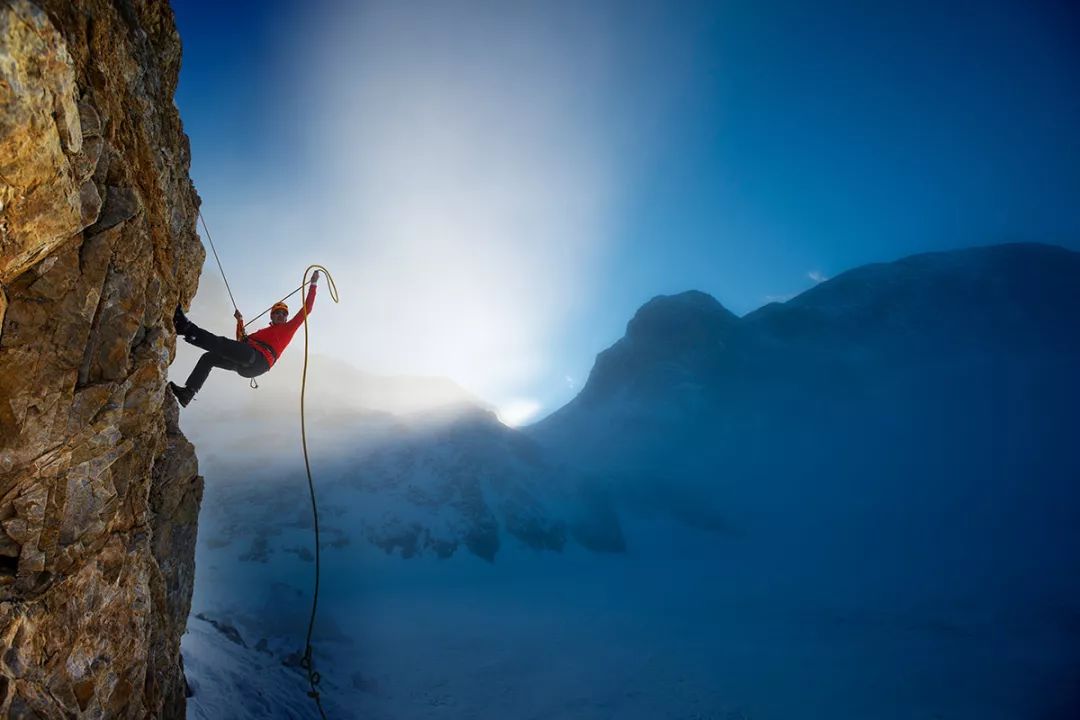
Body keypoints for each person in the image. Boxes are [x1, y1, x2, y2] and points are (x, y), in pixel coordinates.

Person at [169, 270, 320, 407]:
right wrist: (240, 321)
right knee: (209, 358)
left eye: (284, 314)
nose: (281, 315)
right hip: (249, 364)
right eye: (277, 313)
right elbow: (241, 341)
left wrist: (313, 284)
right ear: (272, 316)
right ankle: (188, 393)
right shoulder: (262, 333)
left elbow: (307, 308)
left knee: (222, 344)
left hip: (259, 359)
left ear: (287, 318)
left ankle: (186, 328)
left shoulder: (288, 328)